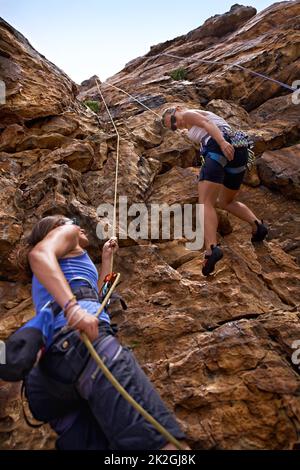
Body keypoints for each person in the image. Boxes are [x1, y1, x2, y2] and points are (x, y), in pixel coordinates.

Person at [14, 215, 188, 450]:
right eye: (71, 219)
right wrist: (73, 310)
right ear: (57, 228)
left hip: (49, 378)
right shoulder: (68, 232)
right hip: (82, 346)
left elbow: (96, 301)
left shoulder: (63, 272)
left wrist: (106, 259)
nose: (78, 224)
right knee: (165, 448)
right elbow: (39, 255)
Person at [161, 106, 268, 276]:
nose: (177, 124)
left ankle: (211, 249)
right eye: (173, 127)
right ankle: (257, 225)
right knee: (225, 202)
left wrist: (221, 142)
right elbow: (204, 126)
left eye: (174, 119)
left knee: (205, 203)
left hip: (219, 147)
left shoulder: (189, 113)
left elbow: (206, 123)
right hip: (239, 152)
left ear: (179, 109)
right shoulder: (189, 126)